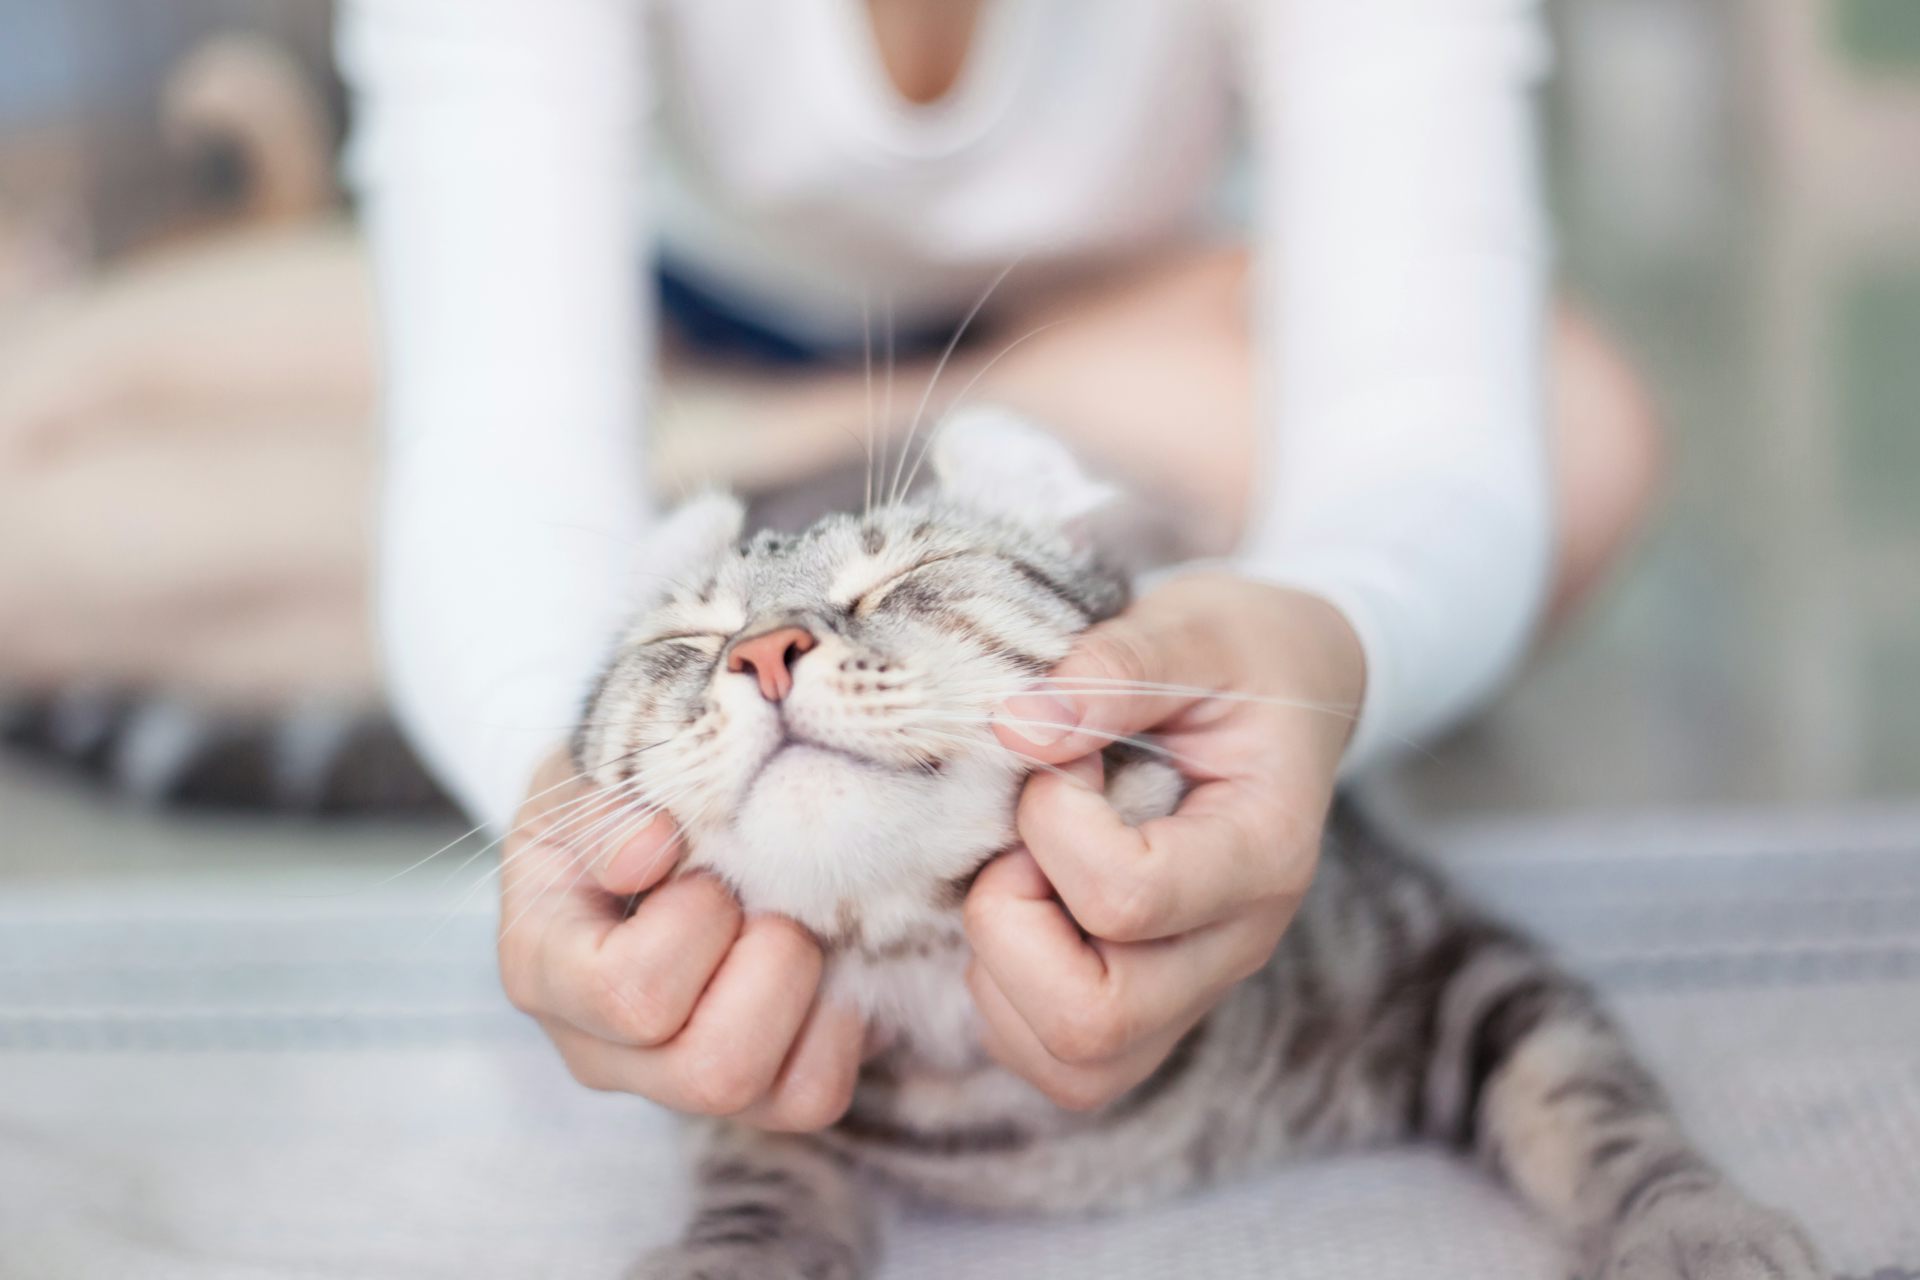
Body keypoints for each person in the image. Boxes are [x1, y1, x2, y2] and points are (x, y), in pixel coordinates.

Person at [8, 0, 1658, 1128]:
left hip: (1116, 354)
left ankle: (725, 452)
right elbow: (507, 440)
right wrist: (581, 795)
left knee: (1578, 429)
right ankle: (774, 436)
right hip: (700, 331)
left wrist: (1316, 638)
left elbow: (1431, 427)